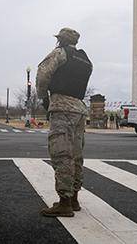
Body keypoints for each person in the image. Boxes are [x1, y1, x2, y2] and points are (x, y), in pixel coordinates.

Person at [36, 27, 93, 217]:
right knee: (76, 155)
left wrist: (43, 97)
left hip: (62, 107)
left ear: (60, 40)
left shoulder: (60, 53)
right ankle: (74, 198)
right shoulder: (86, 60)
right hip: (80, 109)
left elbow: (43, 75)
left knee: (62, 154)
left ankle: (64, 202)